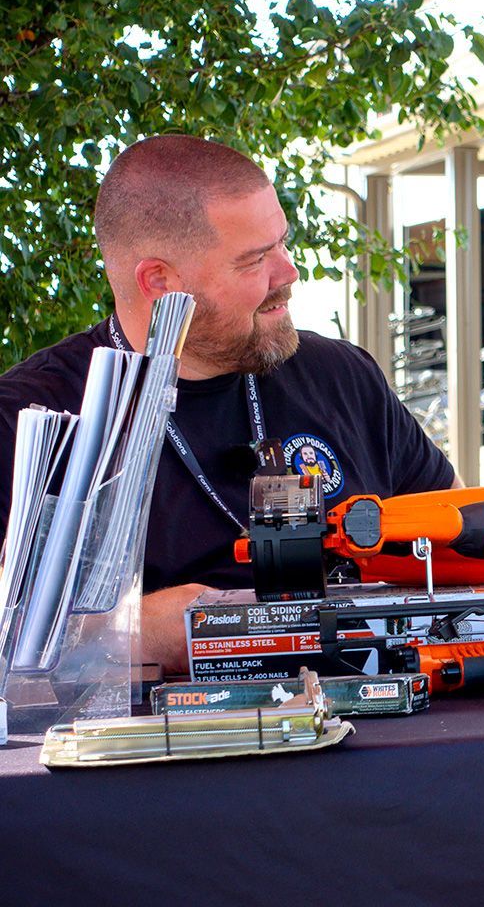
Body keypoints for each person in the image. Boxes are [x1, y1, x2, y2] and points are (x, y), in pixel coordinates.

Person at [0, 135, 460, 672]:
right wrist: (135, 633)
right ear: (159, 281)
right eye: (255, 260)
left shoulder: (343, 375)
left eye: (283, 244)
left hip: (389, 723)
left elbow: (458, 542)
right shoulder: (30, 419)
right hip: (168, 748)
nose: (288, 273)